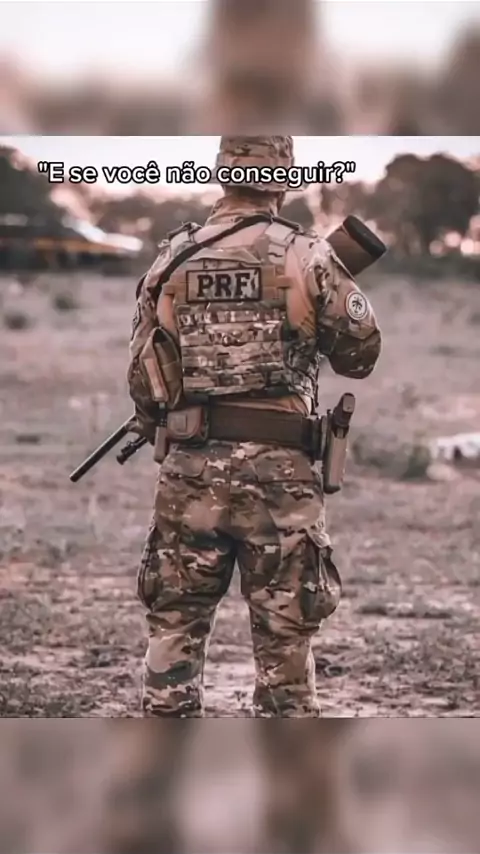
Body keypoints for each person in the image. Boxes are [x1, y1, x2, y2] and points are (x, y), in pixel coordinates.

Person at [127, 136, 382, 718]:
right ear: (284, 178)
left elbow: (143, 380)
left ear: (221, 173)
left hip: (189, 473)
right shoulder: (309, 256)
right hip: (281, 482)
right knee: (286, 639)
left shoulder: (173, 258)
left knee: (174, 628)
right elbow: (361, 356)